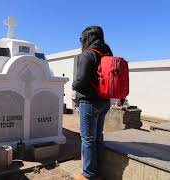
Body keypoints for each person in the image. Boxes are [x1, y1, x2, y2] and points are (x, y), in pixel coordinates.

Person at [72, 26, 112, 180]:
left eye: (82, 38)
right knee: (97, 136)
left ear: (88, 37)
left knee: (88, 139)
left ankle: (88, 175)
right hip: (104, 102)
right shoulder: (107, 53)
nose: (81, 41)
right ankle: (97, 170)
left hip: (89, 103)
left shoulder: (88, 54)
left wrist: (74, 85)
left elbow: (81, 80)